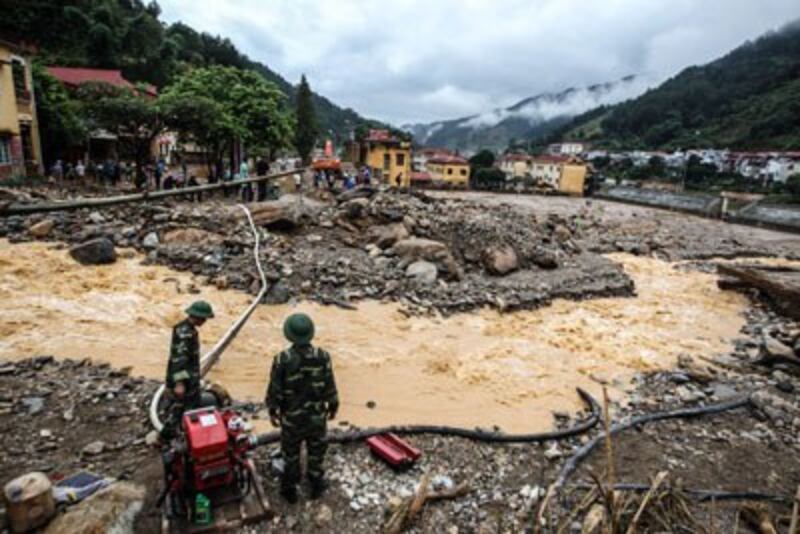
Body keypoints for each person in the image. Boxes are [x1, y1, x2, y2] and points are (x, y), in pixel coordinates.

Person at [266, 314, 338, 503]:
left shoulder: (282, 359)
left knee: (290, 453)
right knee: (316, 450)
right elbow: (329, 384)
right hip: (316, 416)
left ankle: (290, 489)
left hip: (292, 417)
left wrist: (273, 411)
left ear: (288, 335)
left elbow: (275, 390)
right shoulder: (323, 356)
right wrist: (333, 405)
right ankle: (315, 483)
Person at [161, 300, 215, 441]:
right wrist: (179, 383)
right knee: (179, 409)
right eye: (204, 318)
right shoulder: (185, 333)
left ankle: (189, 435)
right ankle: (165, 437)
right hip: (185, 380)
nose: (204, 322)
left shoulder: (187, 329)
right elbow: (180, 359)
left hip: (191, 378)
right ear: (198, 317)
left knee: (192, 407)